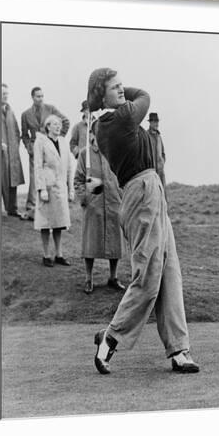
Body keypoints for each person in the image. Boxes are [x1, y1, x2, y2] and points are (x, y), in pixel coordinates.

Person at [87, 67, 199, 375]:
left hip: (153, 192)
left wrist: (113, 91)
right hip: (141, 192)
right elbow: (145, 96)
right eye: (115, 87)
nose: (123, 91)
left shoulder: (121, 119)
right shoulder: (113, 121)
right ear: (101, 96)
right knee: (148, 279)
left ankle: (179, 349)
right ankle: (110, 337)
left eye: (123, 86)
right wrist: (113, 95)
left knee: (170, 274)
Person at [74, 129, 126, 294]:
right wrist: (85, 199)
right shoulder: (85, 154)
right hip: (94, 205)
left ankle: (113, 277)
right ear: (91, 135)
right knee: (91, 242)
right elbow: (78, 180)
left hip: (113, 203)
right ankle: (88, 279)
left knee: (115, 241)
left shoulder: (114, 152)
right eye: (96, 133)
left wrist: (121, 195)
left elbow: (123, 175)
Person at [21, 87, 70, 221]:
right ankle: (31, 210)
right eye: (38, 96)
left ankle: (51, 206)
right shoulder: (25, 114)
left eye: (42, 96)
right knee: (34, 177)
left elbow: (65, 122)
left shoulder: (51, 109)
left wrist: (57, 139)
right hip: (34, 149)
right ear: (32, 97)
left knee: (51, 176)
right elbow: (24, 135)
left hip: (49, 148)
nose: (41, 99)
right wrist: (29, 147)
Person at [33, 114, 74, 267]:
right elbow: (37, 166)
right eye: (55, 124)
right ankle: (46, 254)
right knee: (45, 222)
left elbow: (69, 167)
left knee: (59, 222)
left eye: (59, 124)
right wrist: (41, 188)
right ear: (48, 126)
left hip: (60, 187)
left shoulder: (63, 142)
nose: (58, 126)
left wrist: (71, 189)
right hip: (47, 188)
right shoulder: (41, 142)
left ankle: (59, 254)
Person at [1, 83, 25, 217]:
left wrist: (15, 145)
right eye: (3, 94)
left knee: (13, 180)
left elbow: (16, 130)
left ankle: (12, 209)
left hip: (12, 154)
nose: (5, 96)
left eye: (6, 94)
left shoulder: (10, 110)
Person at [147, 112, 167, 200]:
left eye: (157, 121)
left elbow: (163, 153)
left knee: (162, 196)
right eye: (154, 121)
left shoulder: (159, 137)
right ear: (150, 123)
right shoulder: (146, 136)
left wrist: (162, 162)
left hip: (160, 172)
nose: (156, 124)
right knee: (151, 197)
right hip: (150, 172)